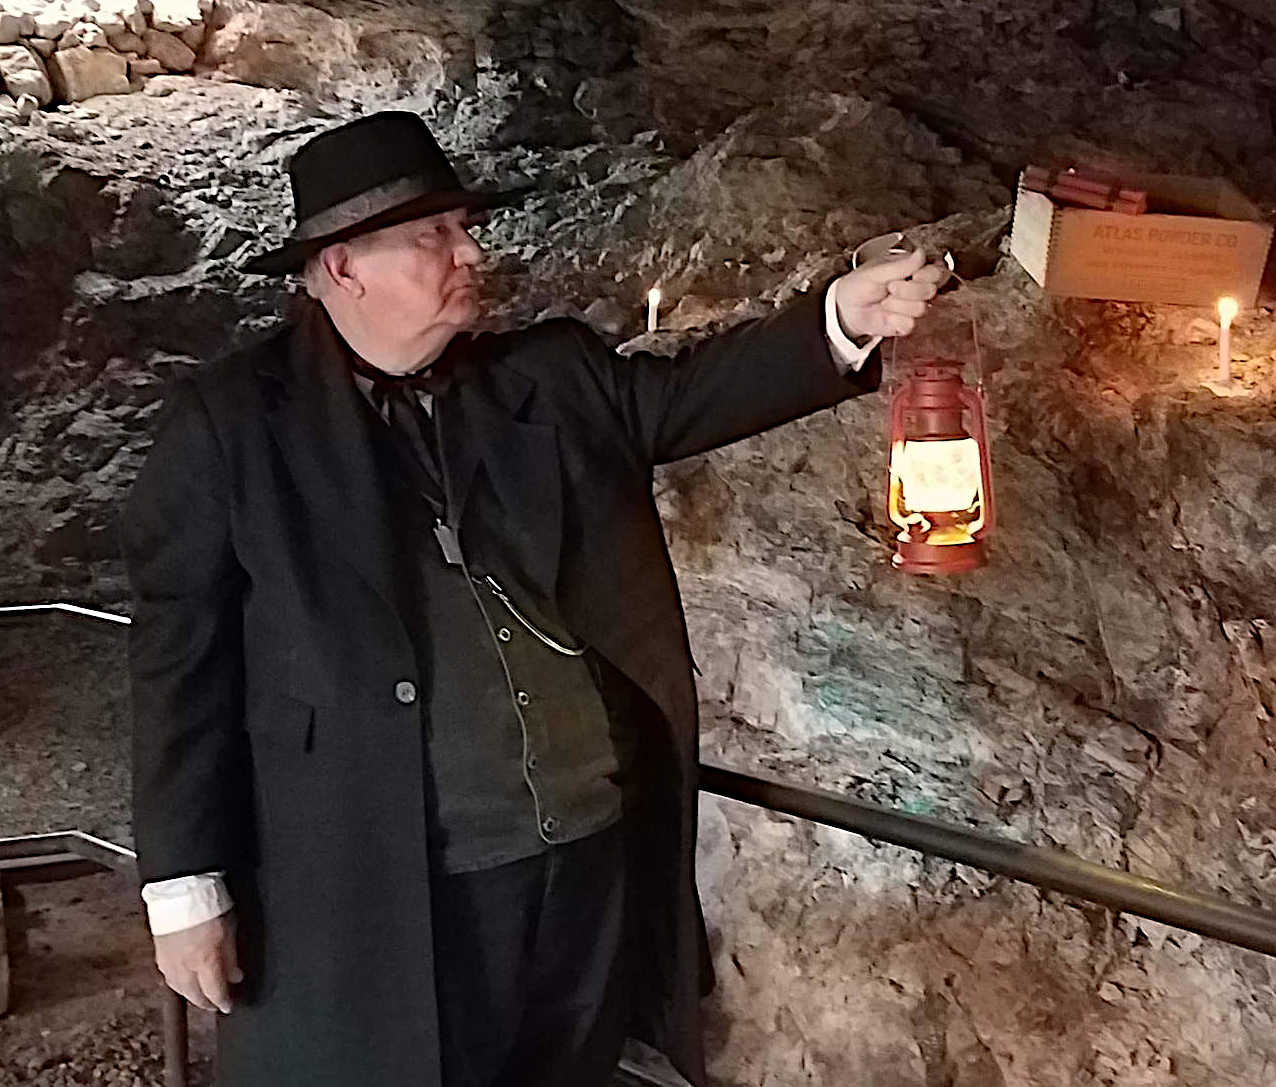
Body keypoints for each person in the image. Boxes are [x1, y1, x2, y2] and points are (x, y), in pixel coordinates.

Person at [122, 110, 944, 1087]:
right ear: (345, 268)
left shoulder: (547, 376)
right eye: (436, 235)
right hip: (377, 876)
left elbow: (692, 393)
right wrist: (184, 887)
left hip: (579, 863)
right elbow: (179, 662)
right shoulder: (231, 427)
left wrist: (840, 318)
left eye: (465, 226)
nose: (471, 251)